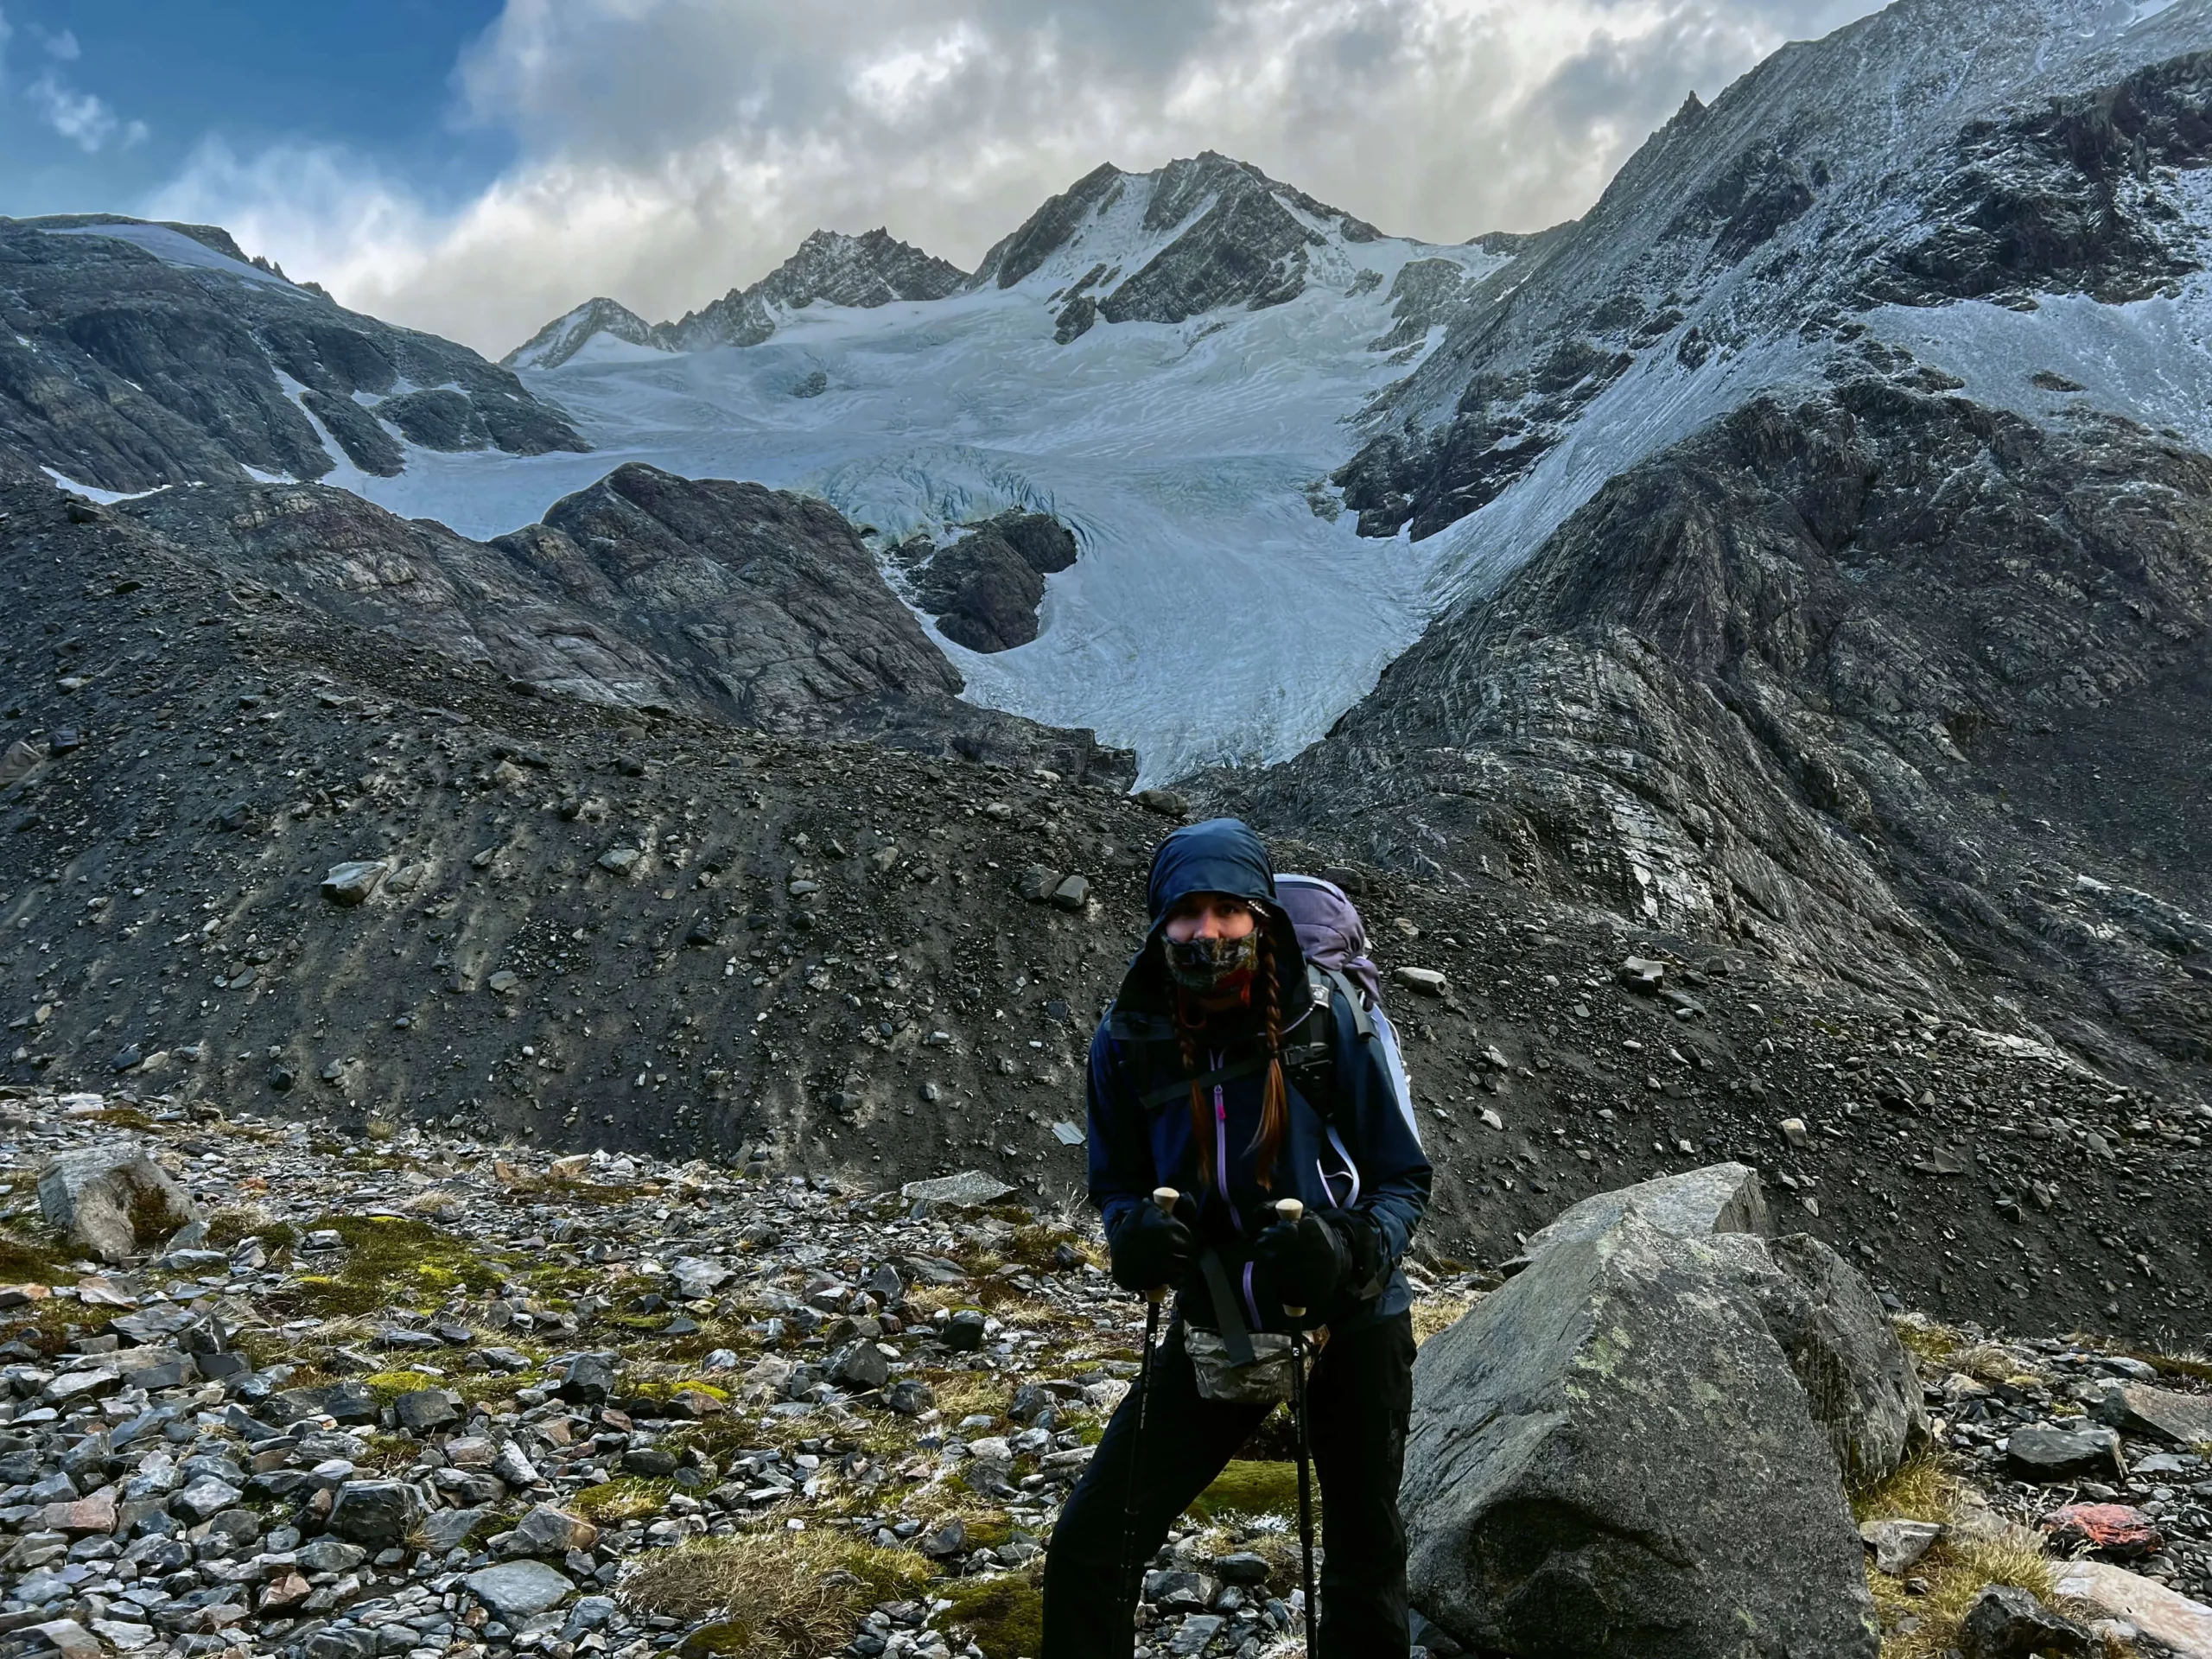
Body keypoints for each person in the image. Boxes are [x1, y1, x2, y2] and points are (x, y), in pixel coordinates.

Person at [1040, 818, 1433, 1657]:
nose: (1207, 930)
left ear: (1262, 918)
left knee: (1364, 1559)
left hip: (1354, 1321)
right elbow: (1113, 1183)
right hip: (1217, 1316)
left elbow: (1403, 1179)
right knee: (1089, 1545)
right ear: (1159, 921)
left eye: (1227, 909)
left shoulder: (1331, 1023)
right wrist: (1133, 1237)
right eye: (1187, 912)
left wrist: (1348, 1250)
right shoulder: (1128, 1036)